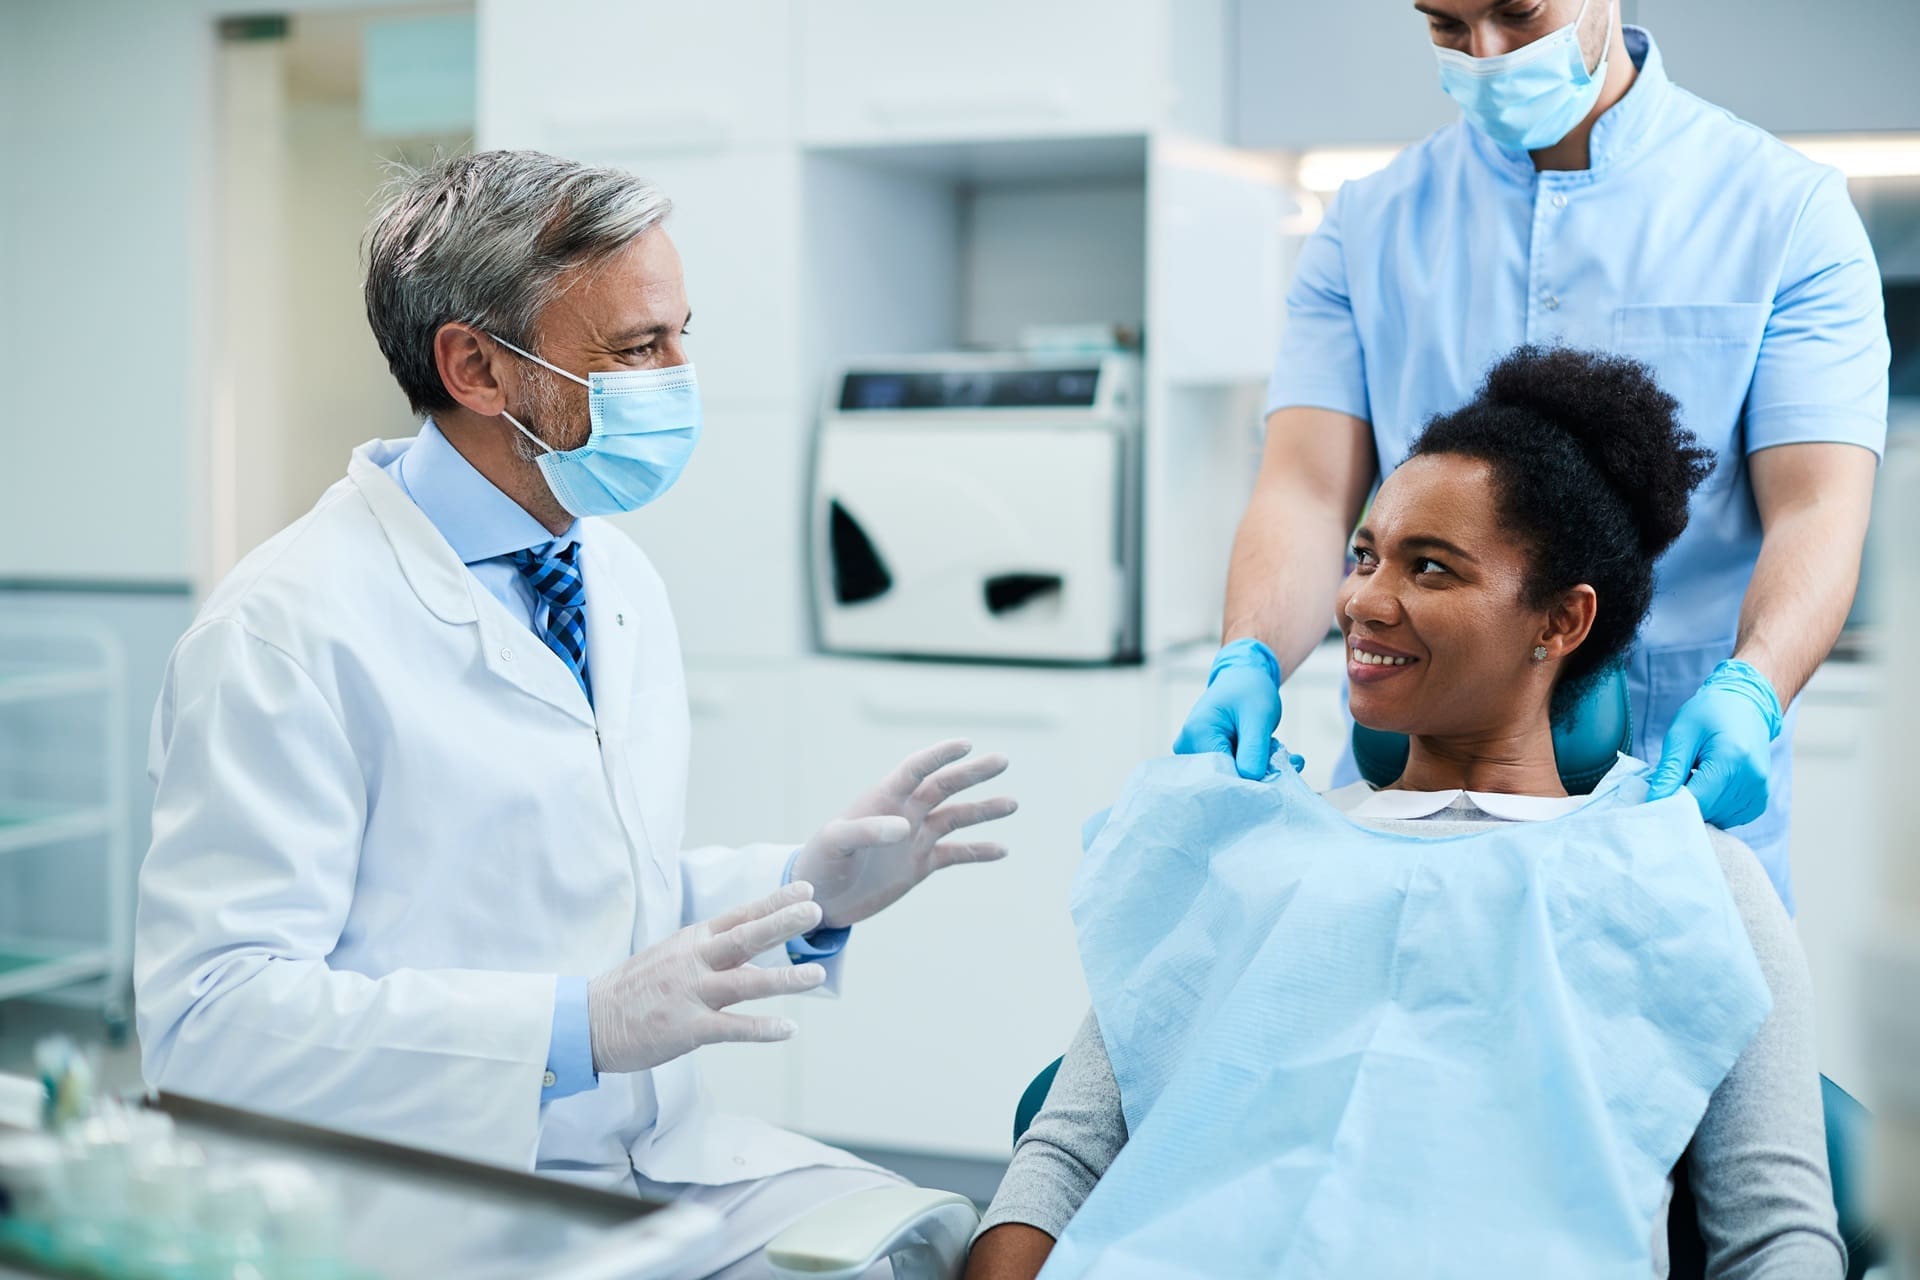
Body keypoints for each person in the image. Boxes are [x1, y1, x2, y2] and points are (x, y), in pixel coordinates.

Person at [134, 151, 1016, 1280]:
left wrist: (806, 886)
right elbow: (211, 1026)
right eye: (639, 348)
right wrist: (574, 1028)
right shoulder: (284, 630)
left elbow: (581, 891)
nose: (682, 374)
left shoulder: (606, 571)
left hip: (652, 1155)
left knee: (944, 1241)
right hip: (428, 1197)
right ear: (476, 367)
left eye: (680, 333)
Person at [971, 348, 1843, 1278]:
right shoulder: (1237, 846)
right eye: (1363, 555)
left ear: (1561, 622)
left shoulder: (1692, 877)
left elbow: (1776, 1238)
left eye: (1429, 569)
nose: (1360, 601)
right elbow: (1062, 1164)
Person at [1176, 0, 1888, 910]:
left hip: (1680, 792)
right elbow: (1307, 493)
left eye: (1519, 13)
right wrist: (1247, 659)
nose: (1487, 55)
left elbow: (1819, 507)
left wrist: (1755, 688)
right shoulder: (1366, 225)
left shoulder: (1785, 212)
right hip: (1419, 794)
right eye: (1445, 25)